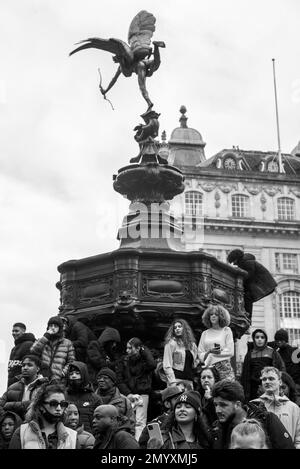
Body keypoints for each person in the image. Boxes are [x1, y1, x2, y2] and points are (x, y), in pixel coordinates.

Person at [211, 379, 295, 449]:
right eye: (215, 405)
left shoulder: (267, 420)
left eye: (223, 405)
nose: (217, 410)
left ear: (237, 404)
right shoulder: (217, 429)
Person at [9, 383, 79, 449]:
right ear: (40, 406)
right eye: (53, 403)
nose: (59, 408)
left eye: (63, 404)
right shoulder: (21, 432)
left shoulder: (72, 436)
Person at [250, 366, 300, 448]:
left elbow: (298, 439)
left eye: (271, 378)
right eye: (264, 379)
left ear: (280, 382)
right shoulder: (253, 405)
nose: (267, 381)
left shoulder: (293, 408)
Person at [118, 337, 156, 441]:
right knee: (127, 421)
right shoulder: (124, 360)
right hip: (128, 395)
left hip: (142, 394)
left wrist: (143, 349)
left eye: (130, 348)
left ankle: (138, 444)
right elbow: (119, 379)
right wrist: (128, 393)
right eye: (127, 348)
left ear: (138, 348)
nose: (127, 351)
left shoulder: (144, 361)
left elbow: (152, 365)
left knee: (140, 422)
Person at [227, 249, 277, 322]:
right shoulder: (245, 262)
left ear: (236, 258)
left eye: (233, 261)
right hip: (260, 283)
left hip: (264, 284)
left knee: (247, 297)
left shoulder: (247, 263)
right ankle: (246, 316)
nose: (234, 264)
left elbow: (248, 276)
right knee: (246, 297)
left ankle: (247, 318)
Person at [241, 329, 285, 401]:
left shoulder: (272, 352)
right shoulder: (249, 354)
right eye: (257, 337)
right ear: (254, 339)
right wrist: (245, 394)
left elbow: (281, 369)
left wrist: (280, 386)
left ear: (265, 339)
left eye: (262, 337)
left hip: (270, 386)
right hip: (253, 389)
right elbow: (245, 375)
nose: (259, 339)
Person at [0, 355, 48, 420]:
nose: (25, 368)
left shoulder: (45, 387)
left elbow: (42, 406)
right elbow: (1, 405)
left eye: (29, 365)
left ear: (37, 369)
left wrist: (9, 405)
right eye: (23, 365)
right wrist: (9, 419)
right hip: (17, 427)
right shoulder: (12, 387)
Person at [30, 316, 75, 382]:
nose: (53, 328)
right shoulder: (43, 340)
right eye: (51, 326)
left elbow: (71, 361)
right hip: (42, 377)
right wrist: (46, 336)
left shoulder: (67, 343)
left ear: (60, 328)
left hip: (58, 379)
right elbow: (33, 351)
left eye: (55, 326)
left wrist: (64, 372)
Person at [198, 305, 235, 381]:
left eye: (216, 314)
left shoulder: (226, 330)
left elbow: (231, 351)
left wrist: (214, 354)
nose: (213, 316)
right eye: (211, 314)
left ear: (221, 316)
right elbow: (200, 353)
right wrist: (209, 352)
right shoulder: (205, 333)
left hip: (224, 367)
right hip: (209, 368)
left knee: (225, 390)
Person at [65, 361, 103, 434]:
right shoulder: (64, 396)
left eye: (77, 373)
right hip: (67, 437)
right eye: (71, 374)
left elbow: (100, 423)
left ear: (84, 375)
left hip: (90, 439)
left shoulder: (95, 399)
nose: (74, 376)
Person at [95, 368, 135, 435]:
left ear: (113, 382)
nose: (101, 380)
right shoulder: (93, 399)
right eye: (99, 378)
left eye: (105, 378)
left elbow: (131, 423)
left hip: (117, 439)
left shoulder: (124, 400)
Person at [163, 318, 199, 388]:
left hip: (189, 380)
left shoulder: (192, 345)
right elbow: (167, 365)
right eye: (175, 328)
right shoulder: (171, 344)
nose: (177, 329)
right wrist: (172, 382)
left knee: (188, 399)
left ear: (184, 328)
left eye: (179, 326)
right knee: (177, 399)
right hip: (176, 380)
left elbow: (195, 362)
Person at [274, 329, 300, 405]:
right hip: (283, 386)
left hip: (296, 385)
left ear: (286, 340)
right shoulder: (276, 353)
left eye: (281, 340)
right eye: (277, 340)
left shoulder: (295, 351)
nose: (279, 342)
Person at [8, 322, 35, 387]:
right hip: (11, 385)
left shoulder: (29, 344)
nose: (14, 333)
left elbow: (32, 365)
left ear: (23, 332)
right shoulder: (13, 349)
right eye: (13, 331)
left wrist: (18, 378)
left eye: (16, 331)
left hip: (22, 385)